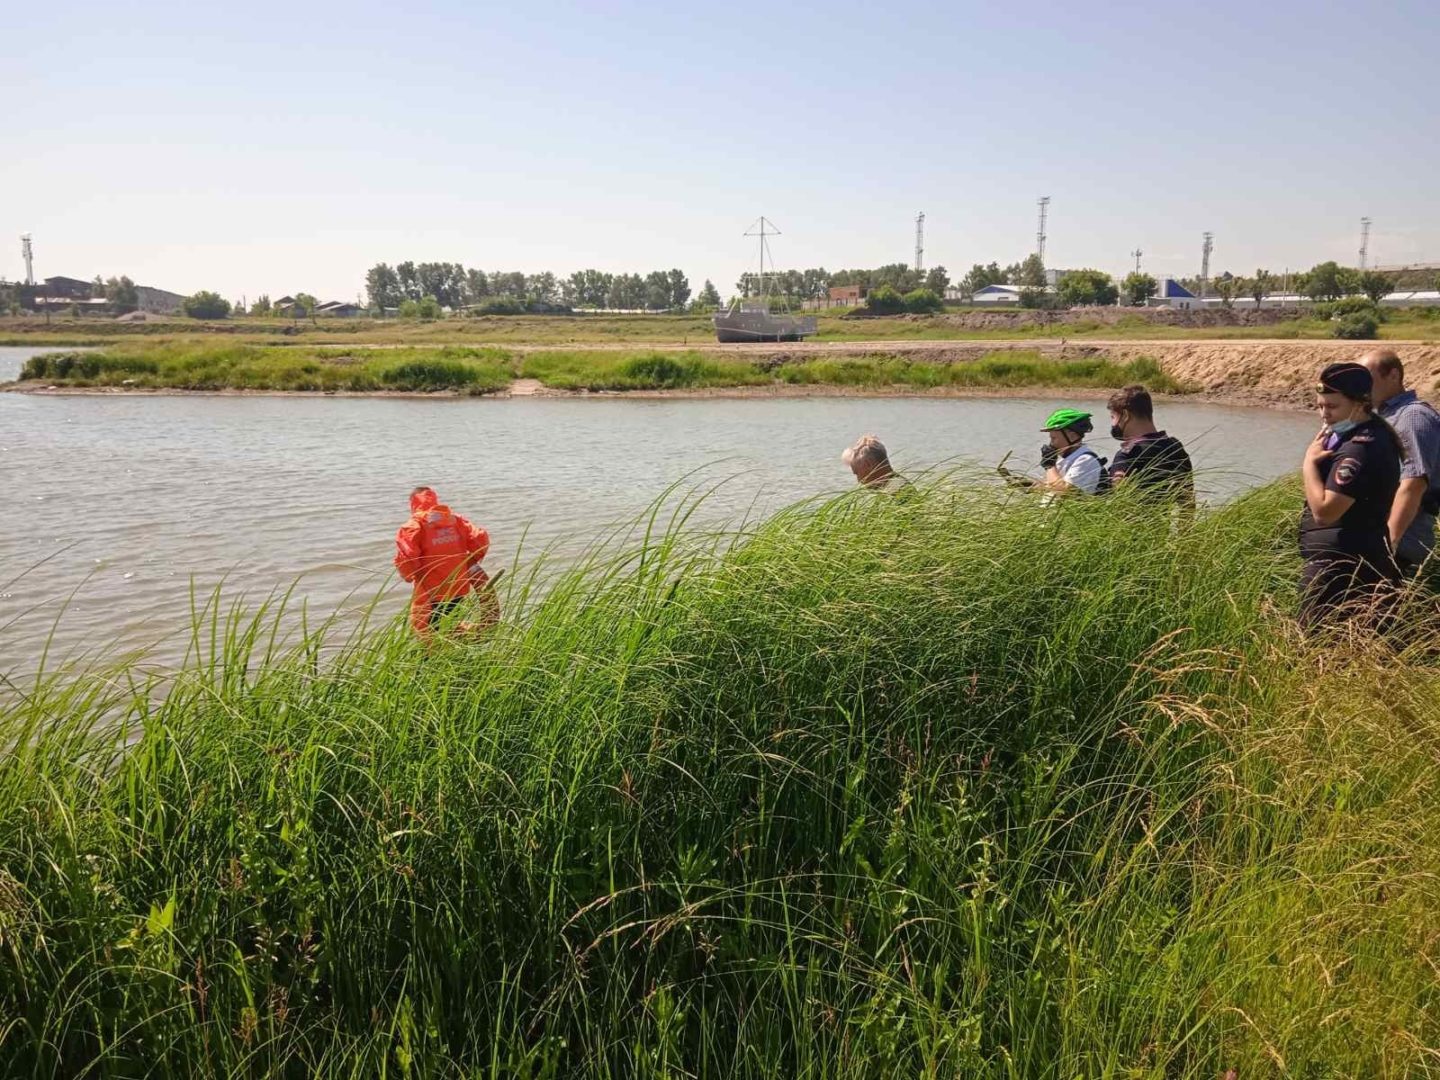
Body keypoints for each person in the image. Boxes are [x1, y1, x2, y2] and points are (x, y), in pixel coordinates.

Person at [1298, 362, 1404, 630]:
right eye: (1320, 406)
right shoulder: (1354, 438)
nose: (1324, 414)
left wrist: (1308, 464)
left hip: (1343, 571)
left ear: (1360, 404)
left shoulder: (1360, 448)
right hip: (1342, 564)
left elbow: (1325, 512)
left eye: (1332, 407)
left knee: (1316, 651)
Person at [1360, 348, 1440, 577]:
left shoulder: (1412, 416)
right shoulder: (1385, 417)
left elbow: (1413, 484)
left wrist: (1387, 548)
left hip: (1401, 548)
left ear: (1393, 376)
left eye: (1367, 378)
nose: (1361, 387)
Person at [394, 486, 498, 639]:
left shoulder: (413, 526)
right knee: (451, 626)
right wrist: (468, 562)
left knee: (425, 634)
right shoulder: (455, 521)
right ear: (435, 500)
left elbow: (407, 559)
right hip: (459, 588)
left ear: (413, 504)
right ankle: (460, 650)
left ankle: (433, 659)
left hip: (431, 593)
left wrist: (409, 575)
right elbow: (480, 539)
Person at [1106, 384, 1195, 509]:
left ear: (1125, 415)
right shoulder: (1174, 447)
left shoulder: (1127, 455)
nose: (1112, 424)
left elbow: (1117, 505)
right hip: (1163, 528)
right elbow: (1187, 503)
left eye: (1113, 417)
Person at [1039, 409, 1107, 495]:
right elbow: (1050, 483)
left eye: (1054, 438)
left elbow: (1063, 491)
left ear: (1072, 436)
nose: (1051, 444)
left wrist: (1049, 465)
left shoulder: (1086, 460)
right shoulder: (1067, 460)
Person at [841, 435, 910, 494]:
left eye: (857, 472)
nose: (859, 481)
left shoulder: (897, 489)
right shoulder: (890, 486)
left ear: (868, 464)